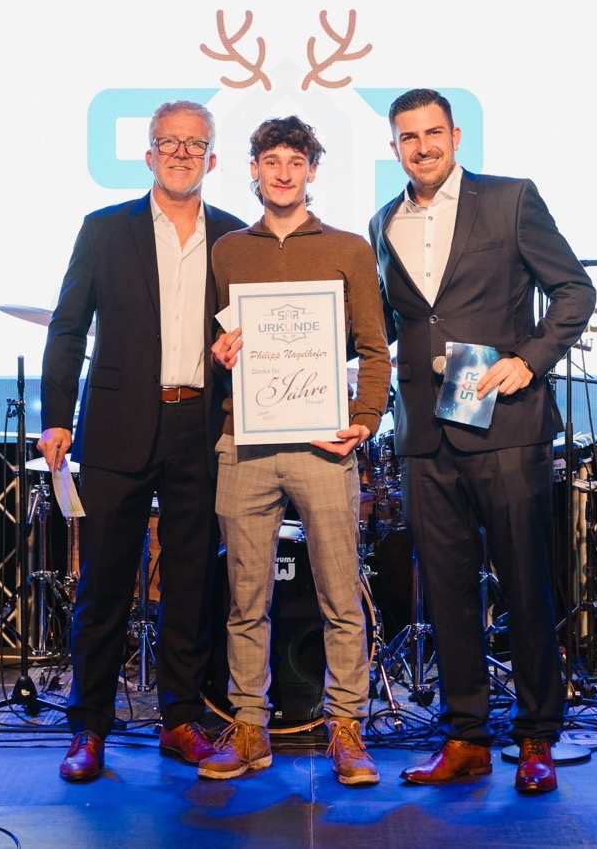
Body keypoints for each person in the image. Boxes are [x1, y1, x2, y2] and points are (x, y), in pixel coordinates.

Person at [369, 89, 596, 793]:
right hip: (425, 434)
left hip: (505, 425)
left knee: (525, 586)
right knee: (445, 592)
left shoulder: (510, 199)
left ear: (456, 135)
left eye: (433, 132)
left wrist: (530, 359)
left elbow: (574, 291)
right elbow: (385, 324)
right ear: (394, 147)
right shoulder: (382, 222)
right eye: (409, 137)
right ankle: (464, 736)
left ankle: (535, 737)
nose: (423, 146)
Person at [38, 100, 245, 782]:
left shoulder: (233, 236)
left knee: (190, 583)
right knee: (103, 585)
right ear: (149, 154)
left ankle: (181, 720)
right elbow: (67, 326)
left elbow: (248, 328)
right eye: (169, 142)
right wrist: (57, 417)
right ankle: (89, 727)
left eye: (195, 144)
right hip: (116, 426)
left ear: (212, 158)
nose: (182, 154)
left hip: (199, 427)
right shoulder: (104, 229)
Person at [206, 116, 391, 785]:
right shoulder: (228, 251)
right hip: (245, 443)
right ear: (253, 170)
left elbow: (374, 348)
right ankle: (248, 727)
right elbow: (217, 341)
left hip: (323, 444)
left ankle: (347, 728)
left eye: (295, 162)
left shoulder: (348, 249)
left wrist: (364, 419)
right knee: (244, 600)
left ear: (312, 171)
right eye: (271, 161)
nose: (282, 173)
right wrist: (219, 352)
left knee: (340, 595)